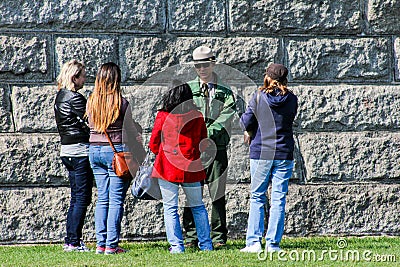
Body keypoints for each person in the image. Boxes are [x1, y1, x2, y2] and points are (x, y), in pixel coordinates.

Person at [86, 62, 144, 255]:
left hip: (94, 150)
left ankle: (100, 244)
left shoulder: (91, 100)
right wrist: (137, 136)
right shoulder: (121, 102)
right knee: (116, 199)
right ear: (116, 79)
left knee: (102, 198)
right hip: (116, 151)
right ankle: (111, 245)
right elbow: (129, 128)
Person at [239, 63, 298, 253]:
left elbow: (245, 121)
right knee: (278, 199)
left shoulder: (258, 97)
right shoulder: (292, 99)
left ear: (268, 77)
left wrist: (249, 129)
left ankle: (254, 243)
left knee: (257, 197)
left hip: (261, 152)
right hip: (283, 152)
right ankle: (273, 244)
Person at [149, 82, 213, 253]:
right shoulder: (197, 116)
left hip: (167, 167)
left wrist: (161, 152)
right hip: (191, 166)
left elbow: (154, 142)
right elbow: (203, 142)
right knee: (198, 207)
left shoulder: (163, 116)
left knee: (170, 208)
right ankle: (206, 245)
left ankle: (177, 246)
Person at [183, 46, 236, 248]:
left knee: (217, 195)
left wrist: (206, 134)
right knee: (191, 195)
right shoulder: (188, 89)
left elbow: (226, 116)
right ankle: (191, 237)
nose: (202, 69)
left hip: (216, 149)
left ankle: (218, 237)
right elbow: (183, 114)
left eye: (205, 65)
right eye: (198, 66)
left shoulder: (225, 91)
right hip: (193, 150)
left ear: (213, 63)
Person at [54, 59, 93, 252]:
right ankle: (73, 241)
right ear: (74, 77)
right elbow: (91, 120)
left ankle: (71, 239)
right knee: (82, 198)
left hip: (67, 151)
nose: (85, 79)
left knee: (76, 197)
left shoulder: (60, 96)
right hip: (79, 151)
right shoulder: (75, 98)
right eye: (83, 76)